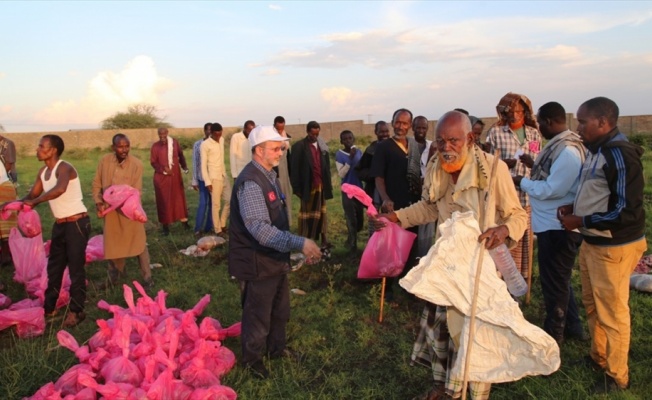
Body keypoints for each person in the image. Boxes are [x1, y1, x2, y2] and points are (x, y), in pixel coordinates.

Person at [376, 111, 527, 399]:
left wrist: (504, 230)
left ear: (470, 139)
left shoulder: (494, 170)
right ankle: (444, 388)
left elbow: (517, 215)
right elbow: (429, 208)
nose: (446, 147)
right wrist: (395, 218)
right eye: (442, 141)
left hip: (479, 272)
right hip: (446, 268)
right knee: (441, 332)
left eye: (454, 140)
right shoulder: (436, 167)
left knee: (475, 340)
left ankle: (471, 393)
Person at [560, 97, 646, 395]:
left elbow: (626, 211)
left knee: (612, 311)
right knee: (592, 303)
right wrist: (574, 207)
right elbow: (600, 193)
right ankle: (598, 356)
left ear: (603, 122)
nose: (578, 127)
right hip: (593, 240)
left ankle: (617, 374)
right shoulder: (596, 151)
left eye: (583, 122)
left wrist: (580, 218)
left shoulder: (619, 154)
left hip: (614, 246)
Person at [228, 125, 322, 379]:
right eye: (275, 147)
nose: (281, 151)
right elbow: (260, 229)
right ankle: (252, 359)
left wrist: (292, 249)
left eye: (282, 147)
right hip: (256, 261)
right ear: (259, 151)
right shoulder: (250, 182)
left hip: (273, 259)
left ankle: (276, 349)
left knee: (280, 309)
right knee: (258, 314)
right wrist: (299, 243)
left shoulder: (269, 174)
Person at [514, 102, 587, 345]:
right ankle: (573, 327)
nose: (538, 127)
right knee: (561, 279)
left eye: (539, 122)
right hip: (552, 225)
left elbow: (552, 189)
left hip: (559, 228)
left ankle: (553, 334)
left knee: (554, 284)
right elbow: (554, 177)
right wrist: (533, 166)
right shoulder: (560, 147)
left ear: (547, 122)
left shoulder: (567, 151)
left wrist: (521, 181)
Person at [21, 135, 91, 328]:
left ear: (52, 150)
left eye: (41, 146)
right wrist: (11, 204)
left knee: (76, 268)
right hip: (60, 224)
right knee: (54, 267)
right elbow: (31, 195)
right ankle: (49, 307)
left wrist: (34, 203)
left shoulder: (65, 168)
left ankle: (77, 311)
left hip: (77, 223)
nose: (37, 149)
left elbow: (59, 189)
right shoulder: (43, 172)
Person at [485, 92, 542, 286]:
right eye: (512, 111)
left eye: (520, 111)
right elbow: (487, 164)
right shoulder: (496, 133)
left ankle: (521, 282)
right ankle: (503, 282)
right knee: (505, 239)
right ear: (504, 113)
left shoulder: (533, 133)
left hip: (527, 196)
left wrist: (532, 163)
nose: (516, 114)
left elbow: (538, 159)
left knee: (524, 239)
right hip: (505, 198)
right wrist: (501, 164)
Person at [370, 109, 422, 299]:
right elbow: (378, 177)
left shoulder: (415, 146)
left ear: (411, 125)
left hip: (413, 205)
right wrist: (385, 198)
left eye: (405, 123)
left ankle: (406, 283)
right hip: (393, 205)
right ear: (392, 123)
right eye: (397, 122)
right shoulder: (384, 147)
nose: (401, 126)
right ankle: (387, 287)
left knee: (410, 244)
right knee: (391, 246)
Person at [92, 133, 153, 291]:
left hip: (130, 211)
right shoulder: (105, 161)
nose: (124, 149)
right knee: (113, 245)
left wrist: (120, 202)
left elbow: (136, 191)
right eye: (120, 146)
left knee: (139, 244)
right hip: (109, 212)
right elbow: (97, 183)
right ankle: (113, 277)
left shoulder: (136, 164)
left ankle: (147, 279)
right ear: (113, 147)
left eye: (127, 146)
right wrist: (99, 202)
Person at [290, 121, 333, 248]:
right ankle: (305, 242)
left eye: (317, 133)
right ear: (307, 132)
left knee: (322, 213)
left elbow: (327, 167)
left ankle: (324, 240)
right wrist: (296, 189)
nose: (315, 136)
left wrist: (328, 184)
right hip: (307, 186)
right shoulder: (299, 146)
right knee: (306, 215)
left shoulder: (322, 146)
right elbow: (294, 169)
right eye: (312, 133)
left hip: (321, 185)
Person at [150, 127, 190, 235]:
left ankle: (184, 222)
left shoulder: (174, 143)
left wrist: (185, 167)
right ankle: (165, 226)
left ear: (167, 133)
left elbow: (180, 155)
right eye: (160, 135)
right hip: (162, 178)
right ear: (158, 135)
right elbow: (153, 162)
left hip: (175, 176)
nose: (162, 137)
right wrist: (163, 170)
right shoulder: (155, 146)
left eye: (164, 135)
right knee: (164, 201)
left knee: (178, 199)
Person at [335, 130, 363, 252]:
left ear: (354, 139)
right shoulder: (339, 154)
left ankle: (350, 239)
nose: (348, 141)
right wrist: (349, 160)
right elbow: (341, 174)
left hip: (359, 190)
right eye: (345, 139)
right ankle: (353, 246)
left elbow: (362, 168)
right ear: (341, 141)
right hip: (347, 191)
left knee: (360, 220)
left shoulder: (359, 152)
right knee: (351, 218)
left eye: (350, 138)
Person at [201, 123, 231, 237]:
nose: (218, 137)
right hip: (213, 178)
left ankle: (223, 223)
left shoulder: (222, 140)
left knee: (230, 200)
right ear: (211, 133)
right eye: (216, 135)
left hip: (223, 175)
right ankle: (218, 230)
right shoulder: (205, 144)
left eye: (220, 134)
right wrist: (207, 181)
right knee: (216, 205)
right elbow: (203, 165)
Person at [413, 115, 435, 258]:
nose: (421, 130)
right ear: (413, 128)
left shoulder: (432, 146)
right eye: (418, 127)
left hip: (428, 193)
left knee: (427, 228)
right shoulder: (408, 145)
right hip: (411, 192)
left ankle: (423, 258)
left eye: (424, 128)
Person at [356, 120, 389, 212]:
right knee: (374, 220)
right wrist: (374, 175)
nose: (385, 134)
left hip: (391, 191)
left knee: (390, 221)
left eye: (386, 131)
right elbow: (360, 170)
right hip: (374, 191)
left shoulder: (393, 147)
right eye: (381, 132)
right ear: (376, 132)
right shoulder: (371, 150)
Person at [191, 123, 214, 236]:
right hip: (202, 178)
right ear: (204, 131)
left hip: (213, 178)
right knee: (203, 203)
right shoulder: (198, 144)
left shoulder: (216, 143)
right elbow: (195, 163)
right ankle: (197, 228)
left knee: (213, 204)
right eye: (207, 130)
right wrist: (194, 180)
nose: (209, 132)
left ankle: (209, 227)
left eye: (211, 130)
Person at [0, 133, 17, 266]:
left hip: (3, 186)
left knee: (5, 223)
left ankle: (7, 255)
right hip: (4, 183)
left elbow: (9, 166)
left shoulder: (7, 143)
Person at [273, 116, 293, 224]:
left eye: (282, 128)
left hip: (285, 168)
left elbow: (288, 156)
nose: (280, 131)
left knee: (287, 194)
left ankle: (288, 220)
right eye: (278, 129)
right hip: (276, 170)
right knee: (277, 195)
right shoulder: (271, 139)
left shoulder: (287, 137)